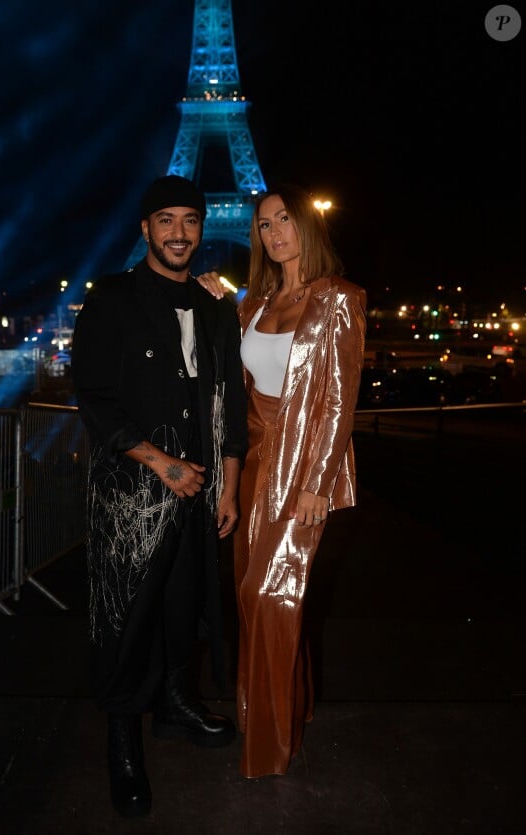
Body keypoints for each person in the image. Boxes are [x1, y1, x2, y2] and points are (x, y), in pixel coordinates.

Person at [71, 175, 248, 817]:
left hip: (199, 492)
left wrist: (225, 482)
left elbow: (229, 396)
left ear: (202, 230)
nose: (180, 233)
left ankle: (174, 706)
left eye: (190, 222)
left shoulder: (213, 307)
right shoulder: (113, 298)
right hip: (132, 496)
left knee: (183, 606)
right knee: (126, 616)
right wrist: (161, 464)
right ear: (145, 229)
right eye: (166, 220)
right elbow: (91, 392)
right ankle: (122, 743)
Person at [197, 182, 367, 779]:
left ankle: (271, 742)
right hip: (255, 467)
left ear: (309, 228)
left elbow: (339, 403)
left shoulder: (341, 299)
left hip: (304, 468)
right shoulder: (254, 305)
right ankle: (280, 706)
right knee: (251, 594)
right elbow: (240, 389)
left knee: (272, 594)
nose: (273, 233)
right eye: (264, 225)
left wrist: (318, 482)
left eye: (284, 220)